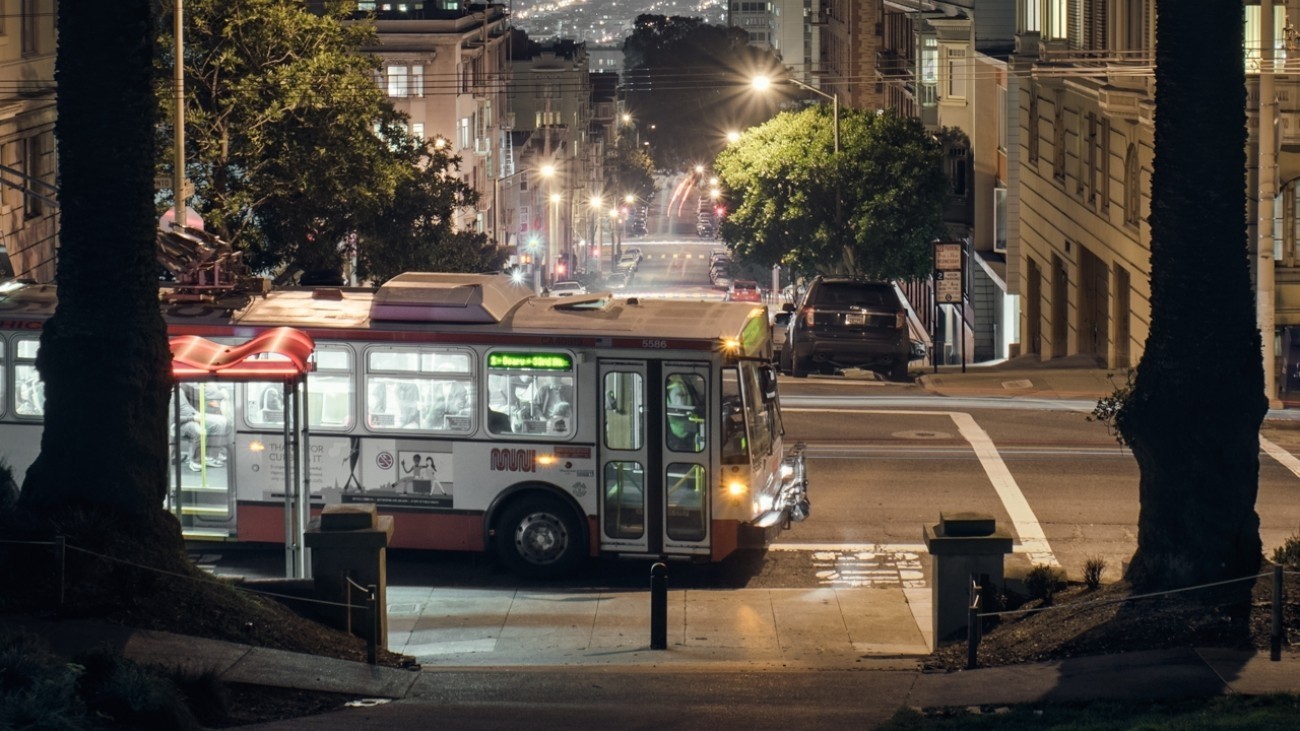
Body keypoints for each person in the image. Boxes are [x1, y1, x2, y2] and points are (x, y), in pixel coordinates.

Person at [176, 384, 232, 471]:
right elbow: (201, 392)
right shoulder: (178, 386)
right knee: (199, 431)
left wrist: (196, 414)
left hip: (192, 413)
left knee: (222, 421)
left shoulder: (179, 388)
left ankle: (209, 457)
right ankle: (195, 461)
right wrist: (221, 393)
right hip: (183, 420)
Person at [666, 375, 702, 452]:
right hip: (685, 423)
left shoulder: (673, 388)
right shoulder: (676, 385)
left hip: (685, 424)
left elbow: (680, 406)